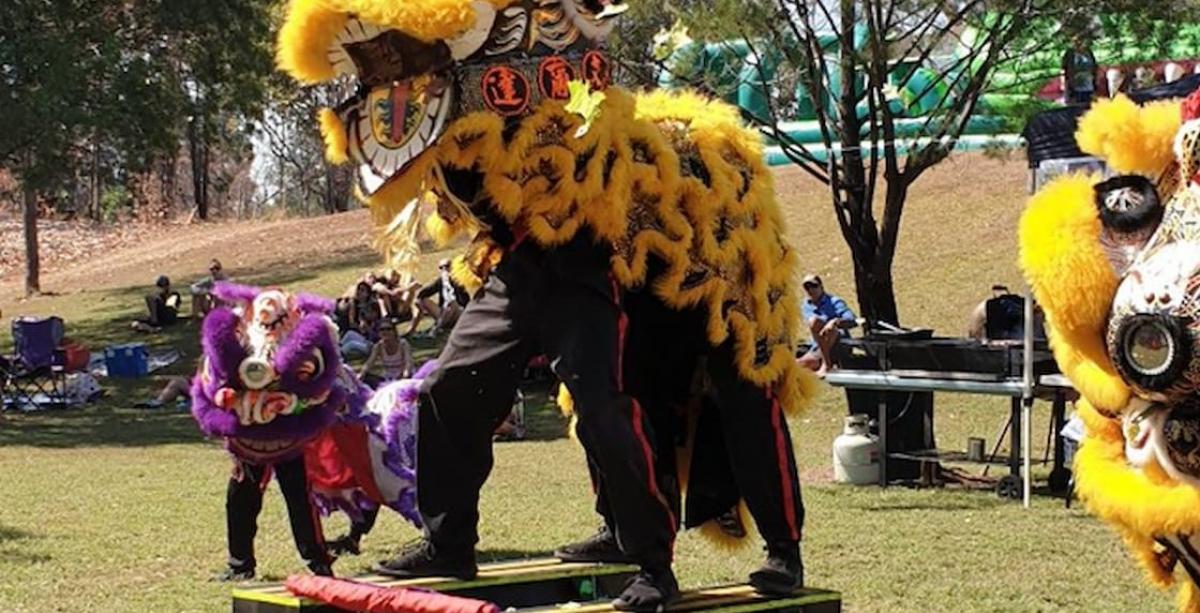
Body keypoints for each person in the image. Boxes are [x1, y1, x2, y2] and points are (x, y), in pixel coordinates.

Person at [798, 274, 856, 375]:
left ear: (821, 286)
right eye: (807, 287)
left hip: (839, 344)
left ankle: (826, 364)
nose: (810, 290)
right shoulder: (806, 306)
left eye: (814, 286)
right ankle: (818, 361)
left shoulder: (834, 302)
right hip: (818, 347)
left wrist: (834, 322)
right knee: (794, 367)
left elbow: (852, 320)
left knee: (815, 322)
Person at [406, 259, 469, 337]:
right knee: (424, 300)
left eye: (446, 267)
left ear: (451, 268)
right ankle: (415, 329)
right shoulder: (440, 281)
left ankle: (436, 329)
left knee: (452, 303)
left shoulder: (458, 281)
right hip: (444, 313)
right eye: (441, 268)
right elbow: (424, 293)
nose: (444, 270)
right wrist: (418, 301)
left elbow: (466, 302)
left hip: (458, 313)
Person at [359, 322, 414, 388]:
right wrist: (361, 374)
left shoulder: (403, 344)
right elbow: (369, 363)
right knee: (366, 378)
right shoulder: (378, 346)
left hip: (403, 377)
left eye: (388, 329)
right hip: (387, 379)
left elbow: (408, 363)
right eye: (382, 329)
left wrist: (405, 375)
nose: (385, 332)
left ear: (394, 331)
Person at [1062, 36, 1098, 105]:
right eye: (1076, 41)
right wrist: (1065, 87)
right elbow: (1064, 69)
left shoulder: (1088, 52)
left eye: (1081, 40)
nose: (1079, 43)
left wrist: (1095, 82)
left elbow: (1094, 68)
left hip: (1089, 85)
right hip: (1074, 86)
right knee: (1076, 106)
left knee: (1089, 106)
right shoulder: (1069, 53)